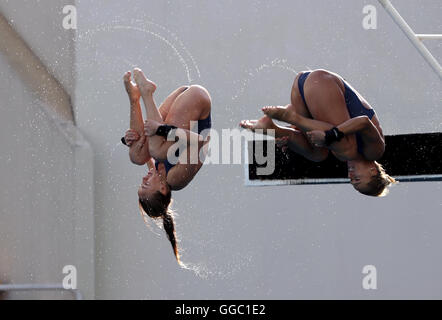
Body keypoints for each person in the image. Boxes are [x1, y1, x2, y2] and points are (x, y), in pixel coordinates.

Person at [240, 69, 396, 196]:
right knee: (345, 150)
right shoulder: (374, 151)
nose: (351, 178)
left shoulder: (344, 152)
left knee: (318, 154)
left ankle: (273, 128)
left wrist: (291, 141)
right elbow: (363, 122)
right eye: (358, 180)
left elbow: (316, 128)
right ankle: (291, 117)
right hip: (322, 82)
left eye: (352, 182)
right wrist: (331, 134)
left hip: (303, 86)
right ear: (373, 170)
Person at [123, 68, 211, 264]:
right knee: (157, 150)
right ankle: (147, 93)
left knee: (137, 156)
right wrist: (160, 129)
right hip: (197, 100)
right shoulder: (176, 178)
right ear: (163, 189)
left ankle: (135, 98)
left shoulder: (157, 172)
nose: (144, 178)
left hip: (179, 101)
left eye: (141, 183)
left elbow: (141, 143)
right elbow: (199, 141)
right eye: (146, 184)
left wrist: (128, 139)